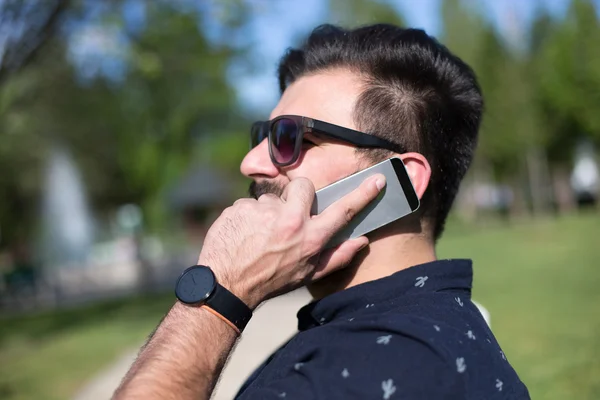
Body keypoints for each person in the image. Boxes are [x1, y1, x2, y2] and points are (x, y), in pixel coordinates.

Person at [114, 24, 530, 399]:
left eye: (289, 136)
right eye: (264, 134)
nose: (251, 162)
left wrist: (219, 295)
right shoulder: (420, 330)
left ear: (400, 179)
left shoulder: (368, 368)